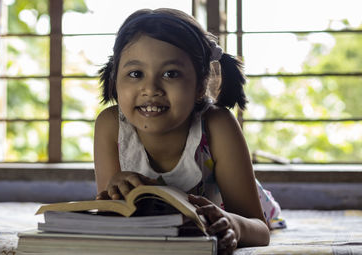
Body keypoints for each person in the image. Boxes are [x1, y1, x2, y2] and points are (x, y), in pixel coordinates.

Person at [94, 8, 283, 254]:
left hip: (242, 207)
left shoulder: (217, 125)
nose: (150, 88)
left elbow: (259, 229)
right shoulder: (110, 125)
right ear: (114, 80)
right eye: (135, 74)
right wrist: (115, 189)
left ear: (200, 85)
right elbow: (112, 214)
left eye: (170, 74)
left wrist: (234, 226)